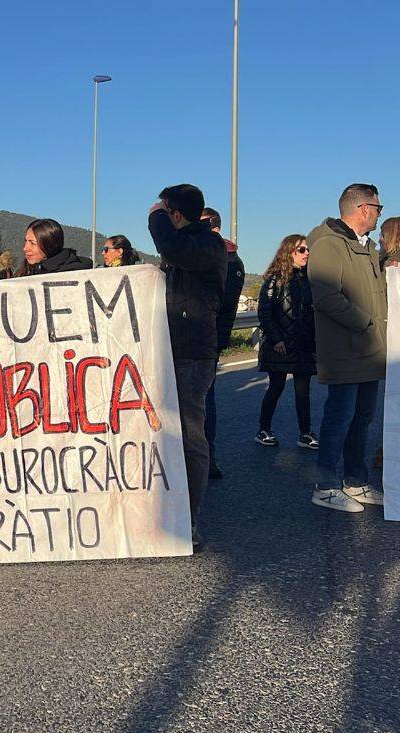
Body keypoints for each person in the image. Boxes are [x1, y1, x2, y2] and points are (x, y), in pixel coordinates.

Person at [147, 184, 227, 549]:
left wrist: (155, 218)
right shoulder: (187, 250)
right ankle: (169, 510)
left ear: (176, 215)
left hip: (192, 354)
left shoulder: (207, 245)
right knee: (168, 433)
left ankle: (189, 518)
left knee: (190, 436)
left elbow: (172, 247)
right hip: (171, 349)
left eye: (166, 212)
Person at [307, 183, 387, 513]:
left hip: (370, 350)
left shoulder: (366, 247)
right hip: (346, 348)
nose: (379, 214)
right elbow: (326, 298)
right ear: (362, 208)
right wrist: (367, 323)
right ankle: (325, 486)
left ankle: (356, 480)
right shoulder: (329, 245)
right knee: (339, 417)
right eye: (377, 208)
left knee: (363, 418)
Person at [255, 235, 318, 449]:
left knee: (303, 390)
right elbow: (265, 312)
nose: (306, 253)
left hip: (303, 344)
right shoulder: (274, 279)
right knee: (276, 387)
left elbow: (312, 314)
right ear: (289, 252)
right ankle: (263, 429)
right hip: (280, 345)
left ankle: (305, 433)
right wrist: (276, 339)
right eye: (301, 250)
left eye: (307, 250)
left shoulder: (308, 279)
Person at [199, 208, 245, 481]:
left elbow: (220, 304)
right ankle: (205, 456)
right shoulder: (230, 259)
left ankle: (206, 456)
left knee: (204, 399)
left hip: (206, 338)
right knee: (205, 398)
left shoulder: (223, 260)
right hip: (211, 337)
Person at [13, 219, 91, 276]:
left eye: (32, 243)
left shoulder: (76, 274)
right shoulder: (24, 273)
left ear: (49, 245)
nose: (25, 248)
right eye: (26, 241)